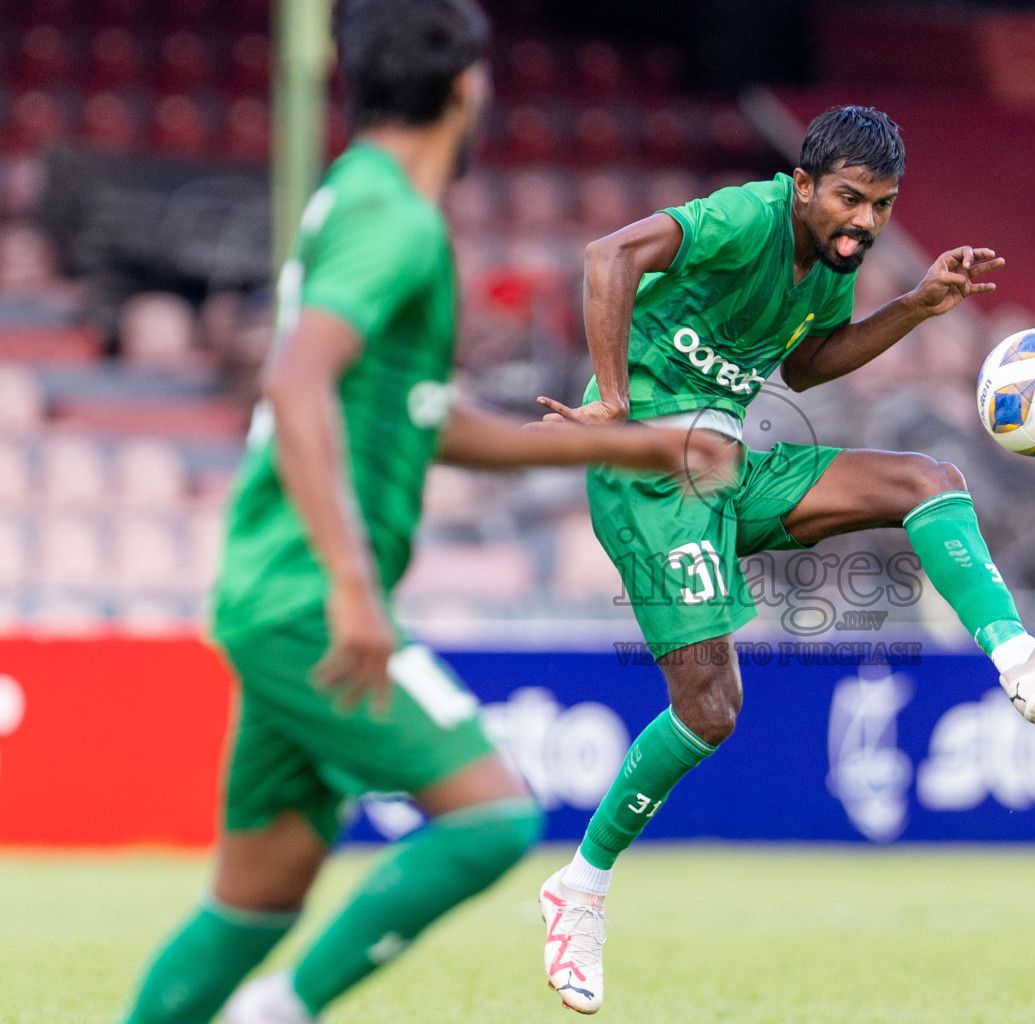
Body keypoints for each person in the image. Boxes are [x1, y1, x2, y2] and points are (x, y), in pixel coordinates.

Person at [116, 3, 731, 1022]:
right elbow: (298, 379)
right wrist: (355, 589)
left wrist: (638, 441)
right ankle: (282, 1011)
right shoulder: (393, 220)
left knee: (257, 898)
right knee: (490, 818)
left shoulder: (361, 199)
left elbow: (421, 419)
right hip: (308, 598)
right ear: (467, 85)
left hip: (275, 591)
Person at [533, 104, 1035, 1014]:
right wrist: (616, 398)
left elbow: (810, 366)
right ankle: (578, 889)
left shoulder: (827, 268)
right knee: (711, 710)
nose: (864, 221)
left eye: (883, 206)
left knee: (925, 480)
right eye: (851, 199)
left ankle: (1024, 665)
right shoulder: (746, 218)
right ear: (804, 186)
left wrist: (916, 305)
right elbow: (606, 256)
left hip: (723, 464)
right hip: (647, 476)